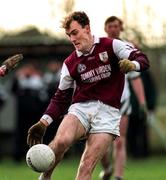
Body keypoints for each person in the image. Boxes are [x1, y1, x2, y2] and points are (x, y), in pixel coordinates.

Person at [27, 11, 149, 180]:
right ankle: (45, 177)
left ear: (87, 28)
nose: (72, 39)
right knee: (61, 141)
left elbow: (142, 59)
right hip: (81, 108)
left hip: (108, 113)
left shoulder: (112, 45)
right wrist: (43, 122)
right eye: (69, 35)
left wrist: (132, 64)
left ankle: (109, 171)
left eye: (75, 33)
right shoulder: (70, 63)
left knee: (86, 165)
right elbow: (61, 98)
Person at [99, 16, 147, 180]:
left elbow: (135, 77)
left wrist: (142, 102)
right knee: (100, 144)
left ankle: (119, 177)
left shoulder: (128, 48)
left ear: (121, 28)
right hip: (102, 101)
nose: (113, 29)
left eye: (116, 26)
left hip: (122, 100)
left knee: (120, 141)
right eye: (110, 26)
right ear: (105, 28)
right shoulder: (97, 46)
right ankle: (107, 167)